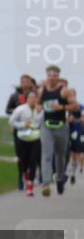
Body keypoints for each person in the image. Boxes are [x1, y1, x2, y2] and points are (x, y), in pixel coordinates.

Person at [38, 66, 78, 196]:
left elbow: (75, 106)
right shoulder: (41, 90)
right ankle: (46, 184)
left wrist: (61, 107)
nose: (52, 77)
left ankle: (60, 179)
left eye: (55, 75)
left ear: (58, 77)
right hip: (47, 126)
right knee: (47, 155)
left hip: (61, 126)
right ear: (46, 76)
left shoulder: (64, 91)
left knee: (60, 156)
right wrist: (39, 108)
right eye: (50, 75)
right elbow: (38, 104)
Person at [10, 90, 43, 196]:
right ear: (27, 99)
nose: (32, 100)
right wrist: (23, 124)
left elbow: (44, 123)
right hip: (22, 138)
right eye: (30, 97)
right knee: (23, 162)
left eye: (34, 97)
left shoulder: (41, 110)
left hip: (36, 138)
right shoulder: (20, 109)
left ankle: (30, 186)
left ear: (37, 99)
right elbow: (11, 122)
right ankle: (24, 174)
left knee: (33, 162)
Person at [67, 97, 83, 184]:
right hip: (67, 133)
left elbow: (83, 120)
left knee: (75, 155)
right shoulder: (67, 108)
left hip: (77, 133)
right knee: (68, 154)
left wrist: (77, 120)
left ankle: (73, 173)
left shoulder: (81, 107)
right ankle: (68, 170)